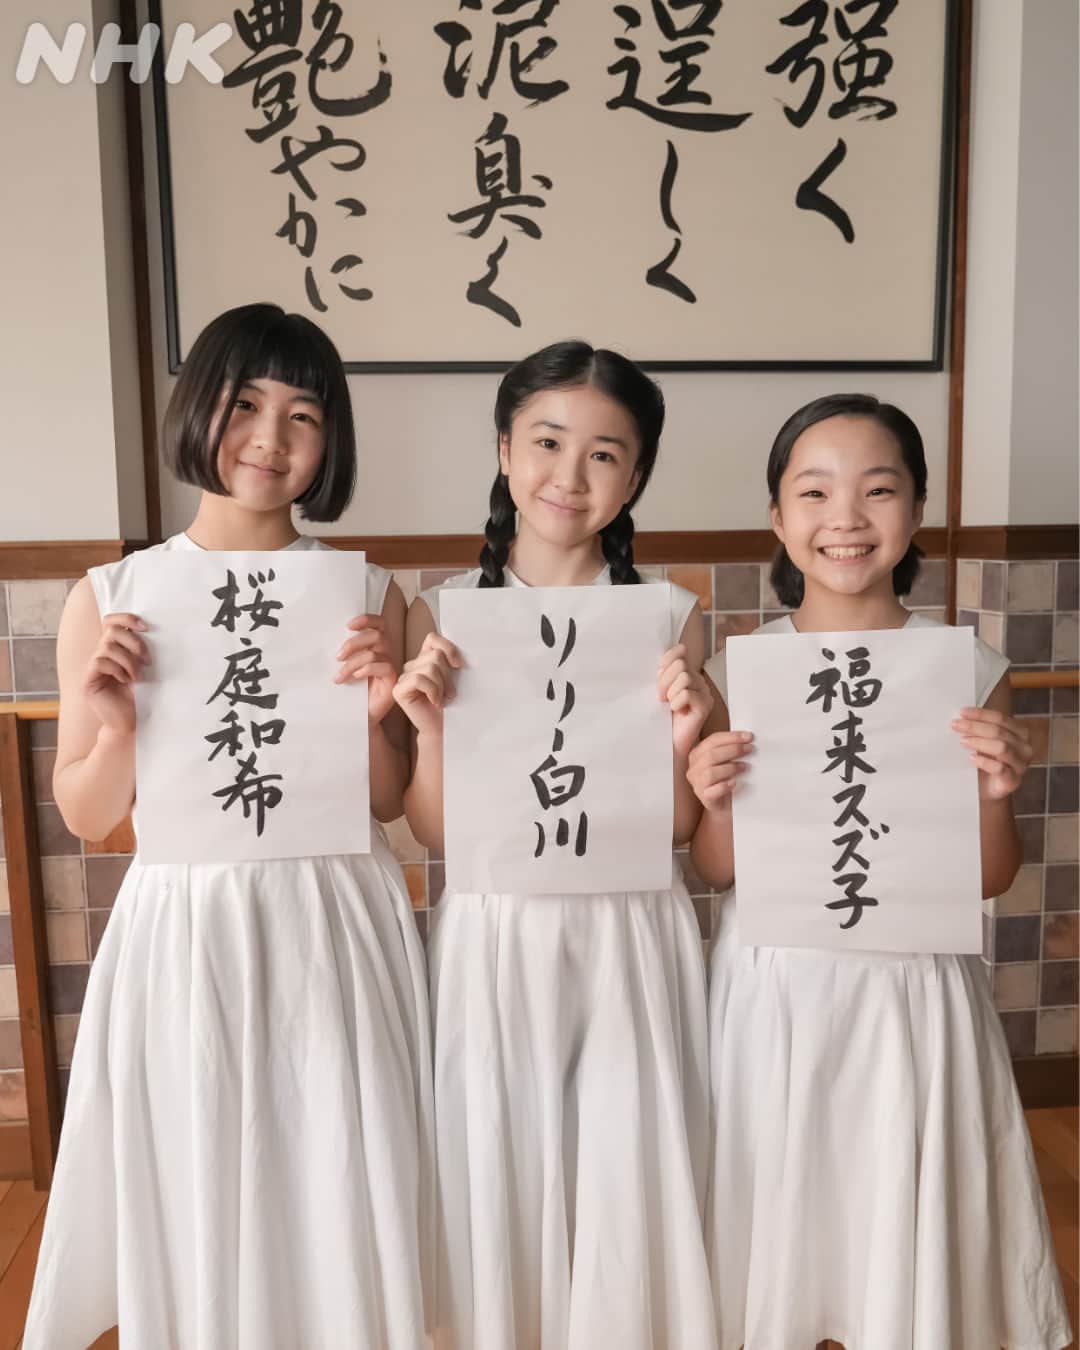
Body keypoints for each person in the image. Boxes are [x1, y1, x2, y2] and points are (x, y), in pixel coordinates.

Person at [23, 303, 434, 1350]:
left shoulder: (372, 594)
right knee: (203, 1153)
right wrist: (119, 725)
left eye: (304, 416)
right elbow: (87, 811)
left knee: (340, 1151)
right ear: (197, 408)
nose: (269, 438)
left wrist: (379, 710)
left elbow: (390, 798)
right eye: (245, 404)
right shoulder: (112, 596)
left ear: (330, 442)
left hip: (333, 911)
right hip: (187, 917)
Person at [688, 392, 1071, 1350]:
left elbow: (989, 876)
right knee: (782, 1212)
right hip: (777, 982)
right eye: (815, 492)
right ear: (778, 517)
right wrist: (715, 798)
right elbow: (716, 868)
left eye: (879, 489)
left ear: (918, 509)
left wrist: (996, 794)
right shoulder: (742, 669)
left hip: (914, 986)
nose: (846, 518)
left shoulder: (968, 668)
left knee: (899, 1209)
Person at [394, 340, 718, 1350]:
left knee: (625, 1149)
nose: (570, 476)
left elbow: (677, 828)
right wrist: (431, 729)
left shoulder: (672, 617)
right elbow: (435, 831)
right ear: (504, 450)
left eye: (605, 454)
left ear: (637, 477)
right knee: (497, 1149)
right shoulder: (443, 611)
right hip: (495, 931)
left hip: (629, 933)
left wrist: (686, 731)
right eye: (546, 442)